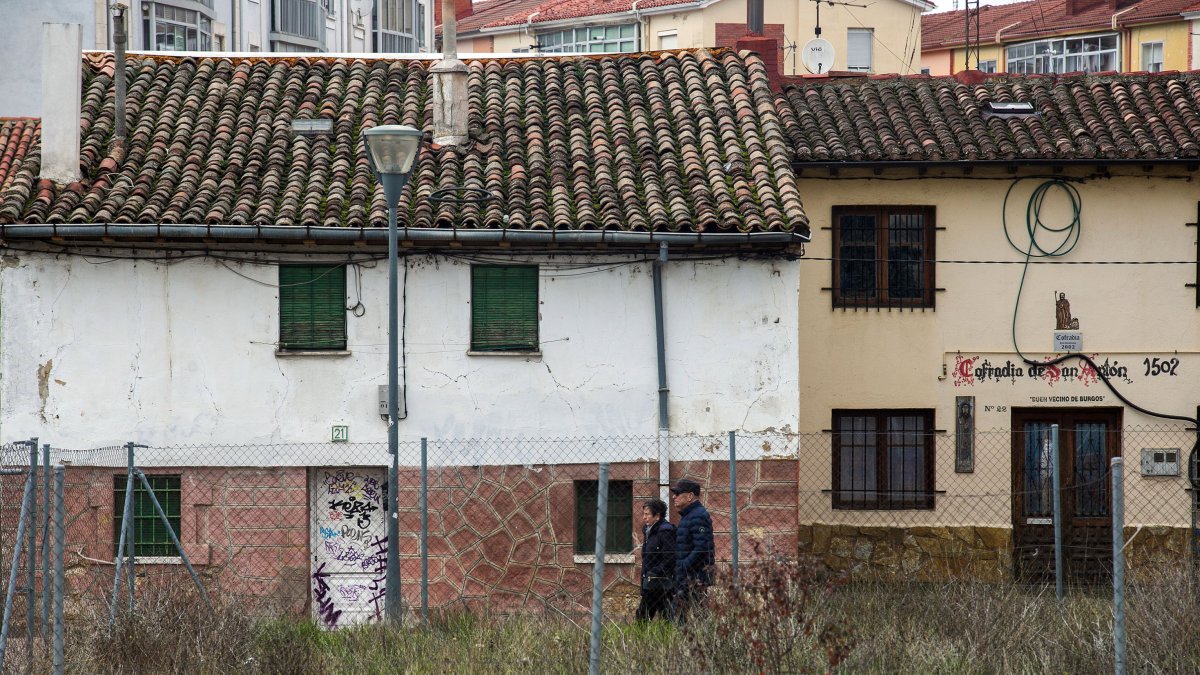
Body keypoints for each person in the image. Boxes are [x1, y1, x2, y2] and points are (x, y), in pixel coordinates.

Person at [670, 479, 713, 620]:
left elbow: (702, 547)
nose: (673, 497)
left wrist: (683, 565)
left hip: (694, 575)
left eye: (677, 493)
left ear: (689, 496)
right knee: (689, 613)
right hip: (688, 575)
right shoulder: (689, 515)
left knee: (681, 614)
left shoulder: (697, 516)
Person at [635, 498, 675, 621]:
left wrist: (654, 573)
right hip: (651, 581)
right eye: (643, 514)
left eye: (647, 514)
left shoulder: (665, 531)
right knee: (643, 616)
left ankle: (667, 632)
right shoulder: (649, 531)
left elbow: (669, 558)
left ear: (657, 516)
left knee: (663, 616)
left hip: (661, 582)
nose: (644, 517)